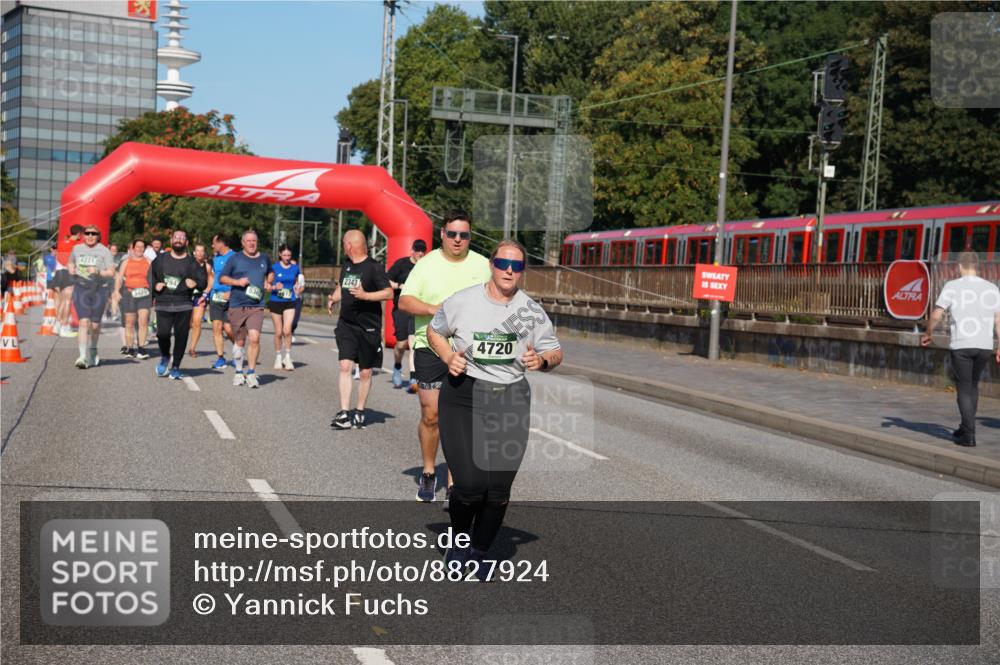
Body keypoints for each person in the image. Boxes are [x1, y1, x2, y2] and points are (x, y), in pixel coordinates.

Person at [428, 239, 562, 575]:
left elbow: (555, 351)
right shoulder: (462, 301)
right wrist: (448, 356)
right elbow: (435, 331)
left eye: (516, 266)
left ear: (522, 271)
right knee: (470, 487)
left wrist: (542, 360)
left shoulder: (531, 311)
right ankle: (459, 542)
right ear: (492, 265)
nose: (509, 271)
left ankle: (480, 551)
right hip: (464, 395)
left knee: (498, 490)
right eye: (503, 264)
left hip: (510, 397)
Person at [399, 211, 491, 504]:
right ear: (442, 234)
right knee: (431, 415)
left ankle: (454, 483)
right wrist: (434, 309)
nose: (458, 240)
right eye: (452, 234)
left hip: (468, 352)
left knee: (459, 419)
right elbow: (404, 301)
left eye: (464, 235)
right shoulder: (426, 264)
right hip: (430, 346)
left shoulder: (482, 265)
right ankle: (429, 472)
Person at [921, 251, 1000, 447]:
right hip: (984, 346)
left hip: (962, 345)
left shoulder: (952, 286)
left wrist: (928, 332)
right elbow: (998, 320)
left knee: (964, 389)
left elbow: (937, 314)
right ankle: (965, 427)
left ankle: (969, 435)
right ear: (977, 266)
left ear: (959, 266)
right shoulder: (992, 288)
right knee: (973, 386)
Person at [327, 230, 392, 429]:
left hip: (368, 327)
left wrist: (366, 296)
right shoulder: (346, 265)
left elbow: (389, 293)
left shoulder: (374, 267)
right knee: (345, 366)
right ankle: (344, 413)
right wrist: (333, 298)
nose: (343, 247)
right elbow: (342, 287)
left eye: (343, 243)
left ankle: (360, 411)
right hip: (347, 325)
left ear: (349, 246)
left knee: (365, 372)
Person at [218, 229, 273, 389]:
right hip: (237, 305)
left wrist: (268, 282)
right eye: (248, 241)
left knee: (254, 338)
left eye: (254, 241)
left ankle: (251, 372)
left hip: (256, 305)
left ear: (257, 242)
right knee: (240, 341)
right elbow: (222, 278)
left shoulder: (264, 258)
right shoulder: (235, 258)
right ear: (243, 243)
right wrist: (237, 282)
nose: (251, 243)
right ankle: (238, 371)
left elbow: (270, 272)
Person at [150, 229, 206, 379]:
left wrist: (195, 283)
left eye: (182, 238)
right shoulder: (160, 259)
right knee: (163, 334)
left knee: (181, 336)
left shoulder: (192, 262)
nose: (178, 239)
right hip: (163, 302)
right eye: (176, 237)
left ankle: (176, 366)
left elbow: (203, 282)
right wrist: (155, 285)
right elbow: (150, 276)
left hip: (184, 304)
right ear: (171, 241)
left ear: (186, 242)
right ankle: (165, 356)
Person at [67, 225, 116, 368]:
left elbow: (111, 272)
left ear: (98, 236)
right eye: (87, 233)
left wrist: (98, 272)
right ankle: (82, 356)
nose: (90, 236)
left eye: (93, 234)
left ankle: (93, 349)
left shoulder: (104, 251)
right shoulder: (77, 249)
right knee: (83, 322)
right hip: (81, 287)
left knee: (94, 325)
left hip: (99, 289)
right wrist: (70, 268)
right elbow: (70, 262)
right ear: (83, 235)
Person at [387, 239, 427, 390]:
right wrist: (399, 286)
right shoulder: (401, 264)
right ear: (412, 251)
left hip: (416, 309)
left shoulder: (426, 266)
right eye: (418, 250)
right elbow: (387, 280)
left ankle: (413, 379)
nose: (420, 253)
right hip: (401, 309)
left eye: (423, 251)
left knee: (413, 343)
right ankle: (397, 366)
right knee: (401, 344)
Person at [112, 238, 152, 359]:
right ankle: (130, 348)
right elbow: (119, 277)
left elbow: (154, 277)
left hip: (144, 294)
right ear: (133, 248)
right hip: (129, 294)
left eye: (142, 247)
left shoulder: (149, 261)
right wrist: (116, 291)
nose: (139, 249)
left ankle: (141, 348)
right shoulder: (126, 262)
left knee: (143, 321)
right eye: (137, 246)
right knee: (129, 322)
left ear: (144, 249)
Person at [269, 244, 301, 371]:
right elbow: (267, 285)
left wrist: (298, 287)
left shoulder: (295, 268)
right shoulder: (274, 268)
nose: (287, 258)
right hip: (276, 301)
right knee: (278, 332)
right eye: (285, 255)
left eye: (289, 255)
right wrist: (274, 287)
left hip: (290, 301)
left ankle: (287, 357)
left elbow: (298, 281)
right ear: (280, 255)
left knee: (287, 331)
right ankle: (278, 356)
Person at [209, 233, 236, 370]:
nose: (213, 245)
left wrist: (232, 292)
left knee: (229, 329)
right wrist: (207, 293)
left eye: (214, 243)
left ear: (221, 243)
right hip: (216, 296)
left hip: (231, 297)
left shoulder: (235, 257)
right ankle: (220, 358)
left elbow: (241, 276)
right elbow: (212, 276)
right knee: (216, 327)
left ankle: (238, 350)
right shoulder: (215, 258)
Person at [186, 243, 214, 357]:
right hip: (186, 296)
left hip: (200, 296)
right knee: (187, 324)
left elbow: (211, 281)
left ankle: (192, 348)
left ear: (205, 253)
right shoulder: (188, 264)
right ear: (194, 252)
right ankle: (181, 345)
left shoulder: (207, 266)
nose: (200, 253)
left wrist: (205, 294)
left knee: (197, 322)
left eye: (202, 251)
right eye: (198, 250)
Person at [56, 224, 84, 337]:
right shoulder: (76, 246)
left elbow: (59, 259)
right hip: (69, 273)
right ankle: (64, 327)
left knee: (63, 301)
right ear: (79, 234)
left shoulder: (62, 243)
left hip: (60, 273)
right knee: (68, 301)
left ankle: (57, 325)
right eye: (82, 234)